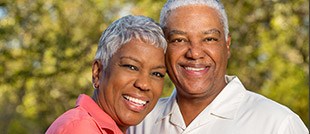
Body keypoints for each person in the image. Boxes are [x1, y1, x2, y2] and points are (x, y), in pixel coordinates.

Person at [128, 0, 309, 134]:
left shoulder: (278, 124)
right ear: (164, 47)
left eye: (209, 39)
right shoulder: (139, 121)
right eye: (179, 40)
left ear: (227, 45)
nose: (195, 53)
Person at [46, 15, 167, 134]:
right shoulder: (80, 128)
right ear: (97, 72)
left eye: (157, 74)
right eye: (131, 67)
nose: (144, 84)